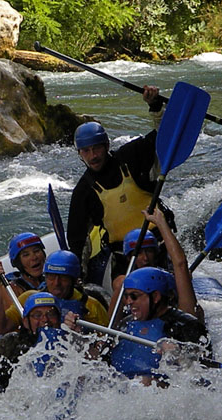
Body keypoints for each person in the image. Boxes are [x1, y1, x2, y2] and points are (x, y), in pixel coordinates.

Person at [66, 85, 177, 281]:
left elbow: (165, 136)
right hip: (125, 256)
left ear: (107, 145)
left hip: (159, 244)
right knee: (119, 287)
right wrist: (76, 279)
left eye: (97, 148)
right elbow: (77, 241)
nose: (93, 156)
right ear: (79, 154)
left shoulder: (132, 156)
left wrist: (155, 105)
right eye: (86, 151)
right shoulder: (83, 192)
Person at [107, 266, 209, 386]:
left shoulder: (184, 326)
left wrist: (178, 356)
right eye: (126, 296)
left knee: (146, 381)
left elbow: (202, 373)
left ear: (155, 296)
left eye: (134, 296)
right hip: (122, 388)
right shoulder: (125, 324)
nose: (129, 302)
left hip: (158, 393)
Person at [108, 208, 202, 322]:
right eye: (129, 296)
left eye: (134, 296)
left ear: (156, 297)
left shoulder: (182, 321)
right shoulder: (128, 322)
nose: (145, 258)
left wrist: (161, 223)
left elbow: (180, 264)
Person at [0, 250, 109, 335]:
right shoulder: (28, 298)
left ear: (74, 280)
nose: (56, 283)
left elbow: (106, 344)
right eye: (51, 277)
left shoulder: (92, 306)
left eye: (63, 278)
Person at [0, 292, 64, 397]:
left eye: (51, 314)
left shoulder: (68, 342)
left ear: (59, 319)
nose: (45, 320)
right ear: (26, 322)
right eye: (37, 315)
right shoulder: (12, 342)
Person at [0, 232, 46, 335]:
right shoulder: (12, 288)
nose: (34, 257)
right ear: (18, 262)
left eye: (36, 251)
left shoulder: (52, 279)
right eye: (26, 255)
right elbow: (0, 328)